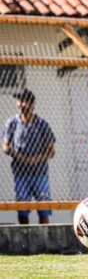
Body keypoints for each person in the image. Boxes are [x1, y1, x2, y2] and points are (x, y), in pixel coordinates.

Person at [1, 89, 55, 225]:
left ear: (32, 104)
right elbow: (5, 146)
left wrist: (36, 159)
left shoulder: (42, 124)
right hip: (20, 174)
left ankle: (44, 240)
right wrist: (20, 157)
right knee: (22, 210)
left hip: (40, 173)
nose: (20, 104)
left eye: (23, 101)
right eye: (19, 101)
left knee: (43, 210)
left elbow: (51, 151)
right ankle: (25, 240)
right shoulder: (12, 123)